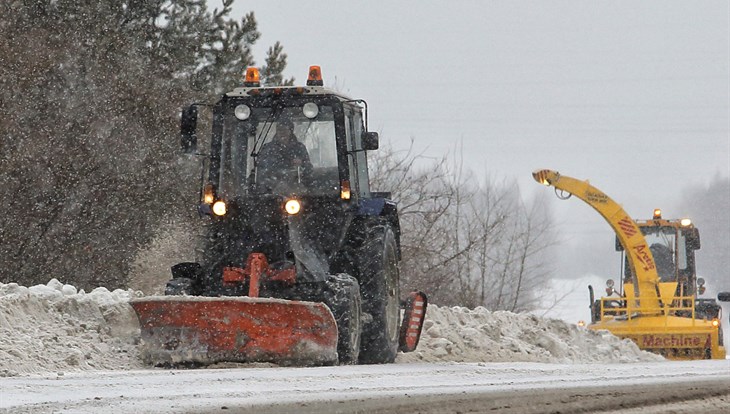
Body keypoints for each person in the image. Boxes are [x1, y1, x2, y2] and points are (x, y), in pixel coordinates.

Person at [256, 119, 313, 190]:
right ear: (276, 132)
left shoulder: (299, 148)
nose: (282, 133)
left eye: (285, 130)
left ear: (290, 131)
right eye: (279, 130)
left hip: (296, 187)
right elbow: (261, 168)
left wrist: (302, 164)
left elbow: (309, 168)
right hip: (271, 188)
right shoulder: (267, 148)